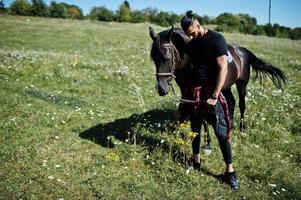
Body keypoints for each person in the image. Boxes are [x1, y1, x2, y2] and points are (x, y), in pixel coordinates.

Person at [180, 10, 239, 190]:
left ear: (198, 24)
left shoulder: (216, 39)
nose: (191, 36)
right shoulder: (192, 43)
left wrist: (215, 95)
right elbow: (185, 62)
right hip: (195, 91)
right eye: (188, 35)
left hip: (211, 93)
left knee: (221, 133)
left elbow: (223, 68)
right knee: (195, 129)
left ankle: (230, 172)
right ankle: (196, 159)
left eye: (192, 32)